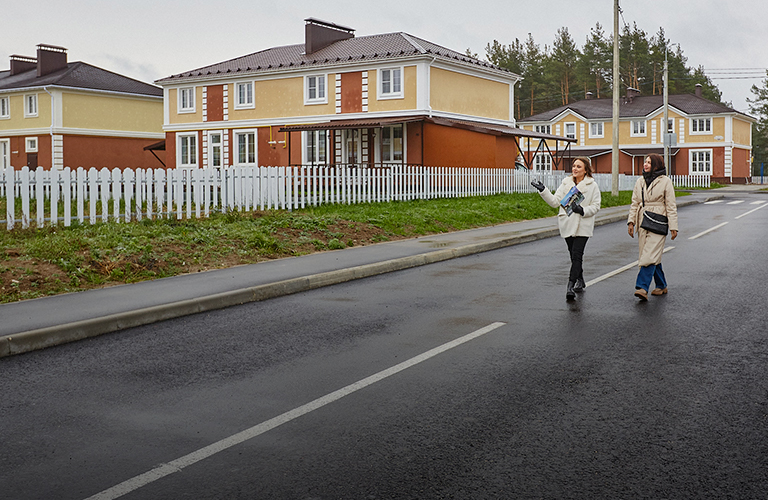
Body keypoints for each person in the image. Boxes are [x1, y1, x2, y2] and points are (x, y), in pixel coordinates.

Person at [531, 156, 601, 301]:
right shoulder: (566, 183)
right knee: (573, 255)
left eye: (579, 167)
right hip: (567, 224)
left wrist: (582, 210)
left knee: (577, 255)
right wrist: (543, 190)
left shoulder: (592, 185)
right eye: (574, 166)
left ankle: (570, 286)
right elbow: (555, 202)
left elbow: (596, 206)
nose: (575, 169)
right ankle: (580, 279)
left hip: (583, 225)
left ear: (586, 170)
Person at [627, 153, 678, 301]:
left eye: (649, 162)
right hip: (643, 219)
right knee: (649, 254)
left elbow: (671, 205)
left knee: (649, 254)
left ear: (656, 165)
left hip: (659, 219)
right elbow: (634, 203)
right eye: (645, 162)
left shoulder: (666, 182)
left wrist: (673, 226)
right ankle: (661, 285)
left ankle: (642, 287)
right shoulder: (640, 181)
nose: (645, 165)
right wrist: (631, 222)